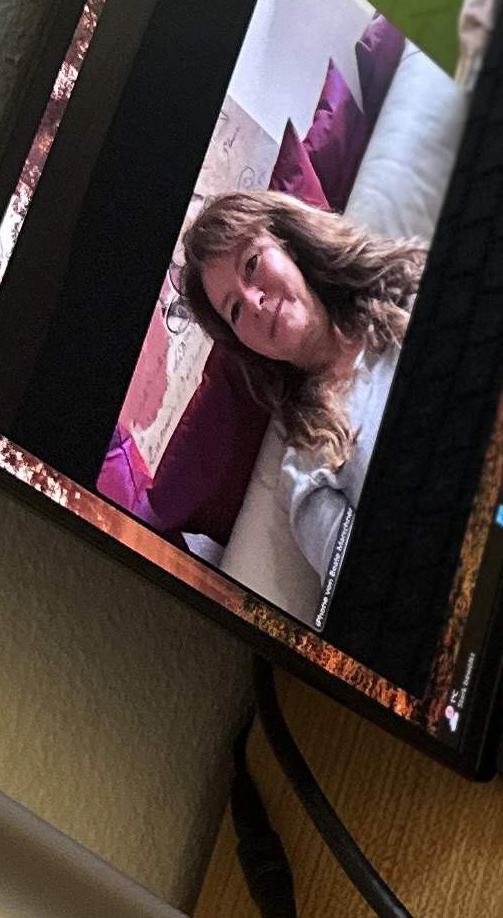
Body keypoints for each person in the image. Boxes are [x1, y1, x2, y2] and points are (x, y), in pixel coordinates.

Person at [174, 185, 416, 612]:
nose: (253, 301)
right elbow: (372, 598)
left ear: (290, 245)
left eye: (252, 264)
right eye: (233, 310)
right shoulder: (307, 466)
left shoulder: (406, 283)